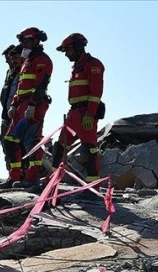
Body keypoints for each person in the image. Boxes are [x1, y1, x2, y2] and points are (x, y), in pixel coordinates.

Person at [0, 27, 53, 191]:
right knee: (9, 141)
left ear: (37, 40)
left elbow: (41, 85)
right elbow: (20, 87)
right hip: (21, 105)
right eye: (22, 41)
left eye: (26, 40)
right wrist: (14, 105)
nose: (23, 44)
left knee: (31, 142)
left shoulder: (42, 60)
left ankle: (32, 178)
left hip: (33, 104)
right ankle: (15, 176)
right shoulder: (27, 61)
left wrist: (31, 105)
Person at [53, 33, 105, 183]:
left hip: (85, 113)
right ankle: (51, 182)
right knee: (59, 146)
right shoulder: (77, 67)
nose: (66, 55)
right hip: (73, 112)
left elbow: (96, 92)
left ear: (77, 47)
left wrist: (90, 113)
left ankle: (92, 186)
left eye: (67, 50)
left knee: (89, 149)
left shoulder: (93, 64)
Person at [0, 44, 24, 172]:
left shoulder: (22, 70)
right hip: (7, 114)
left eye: (9, 58)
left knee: (17, 143)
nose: (7, 61)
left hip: (18, 114)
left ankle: (21, 173)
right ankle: (11, 172)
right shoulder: (10, 73)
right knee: (5, 141)